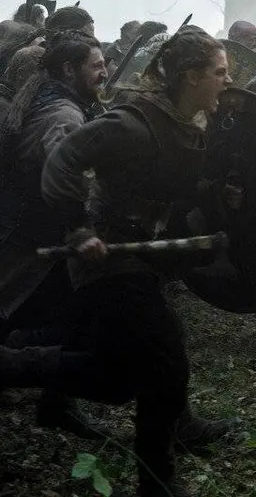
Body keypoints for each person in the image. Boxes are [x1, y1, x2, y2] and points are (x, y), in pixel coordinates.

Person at [4, 29, 237, 496]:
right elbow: (63, 160)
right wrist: (79, 228)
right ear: (191, 77)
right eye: (220, 72)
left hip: (140, 254)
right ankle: (157, 482)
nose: (228, 81)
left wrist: (216, 193)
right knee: (164, 360)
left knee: (116, 375)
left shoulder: (189, 123)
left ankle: (12, 365)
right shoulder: (134, 123)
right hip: (106, 254)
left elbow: (169, 182)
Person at [0, 31, 109, 439]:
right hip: (29, 238)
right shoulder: (64, 116)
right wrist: (82, 227)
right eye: (96, 66)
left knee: (73, 313)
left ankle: (58, 403)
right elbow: (65, 182)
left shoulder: (45, 98)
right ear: (68, 69)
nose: (104, 72)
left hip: (35, 235)